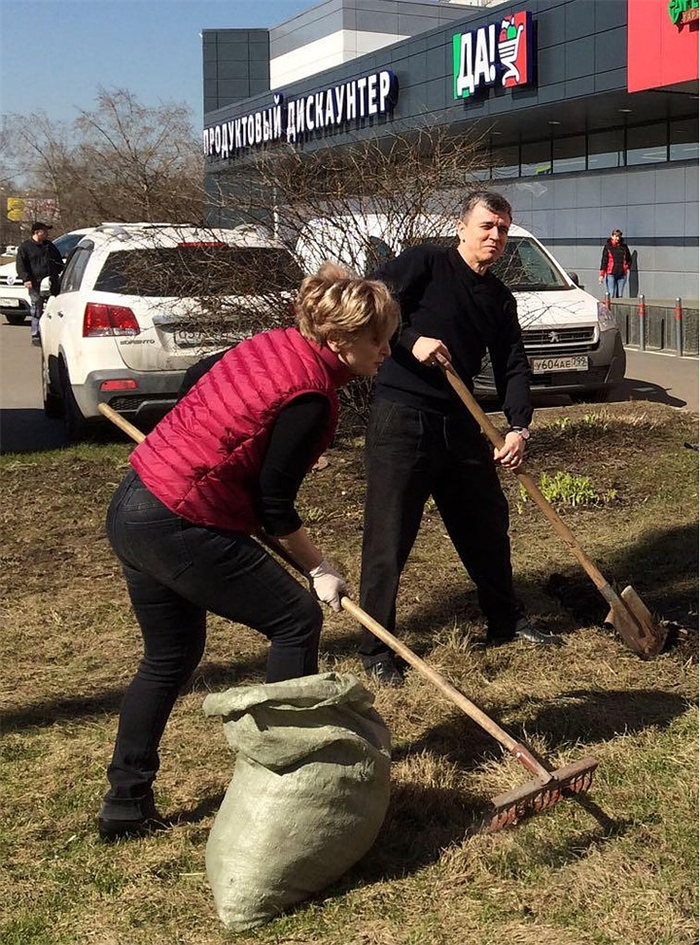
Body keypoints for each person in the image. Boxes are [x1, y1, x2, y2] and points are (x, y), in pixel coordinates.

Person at [98, 263, 399, 840]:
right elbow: (274, 508)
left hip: (136, 502)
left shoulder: (271, 344)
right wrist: (320, 569)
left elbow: (199, 376)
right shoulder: (311, 397)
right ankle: (286, 781)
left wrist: (207, 442)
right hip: (177, 521)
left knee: (169, 656)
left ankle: (124, 803)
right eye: (376, 340)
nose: (386, 350)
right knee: (295, 617)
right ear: (338, 341)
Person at [358, 190, 562, 687]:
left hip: (459, 422)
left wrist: (518, 426)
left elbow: (513, 363)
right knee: (390, 537)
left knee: (487, 524)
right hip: (402, 416)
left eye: (504, 229)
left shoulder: (498, 297)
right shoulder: (426, 263)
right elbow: (368, 301)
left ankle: (505, 621)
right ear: (461, 227)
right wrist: (409, 339)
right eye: (488, 225)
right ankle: (377, 648)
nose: (496, 236)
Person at [15, 222, 64, 346]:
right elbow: (21, 265)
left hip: (51, 283)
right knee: (37, 308)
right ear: (36, 232)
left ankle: (51, 334)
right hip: (35, 283)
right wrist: (26, 279)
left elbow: (58, 262)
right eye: (44, 231)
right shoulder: (25, 247)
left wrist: (59, 273)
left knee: (53, 308)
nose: (47, 234)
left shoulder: (49, 246)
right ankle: (35, 334)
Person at [599, 229, 632, 299]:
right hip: (611, 273)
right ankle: (610, 308)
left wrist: (626, 266)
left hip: (622, 274)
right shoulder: (608, 247)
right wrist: (602, 275)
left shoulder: (624, 247)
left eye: (619, 236)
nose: (617, 238)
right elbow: (604, 261)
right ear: (612, 236)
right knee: (611, 294)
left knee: (620, 295)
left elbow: (629, 259)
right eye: (616, 236)